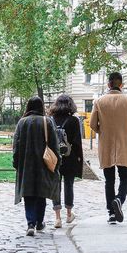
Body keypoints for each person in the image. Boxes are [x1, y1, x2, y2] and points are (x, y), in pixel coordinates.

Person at [89, 71, 127, 224]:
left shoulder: (99, 102)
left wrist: (103, 131)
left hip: (106, 145)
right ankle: (119, 199)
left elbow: (93, 124)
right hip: (124, 144)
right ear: (122, 84)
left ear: (108, 84)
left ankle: (111, 213)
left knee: (109, 180)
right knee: (125, 177)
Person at [12, 96, 63, 236]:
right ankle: (39, 222)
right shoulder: (47, 122)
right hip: (43, 164)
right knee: (41, 193)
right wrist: (57, 162)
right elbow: (54, 144)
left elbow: (15, 145)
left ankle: (30, 223)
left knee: (28, 194)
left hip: (26, 163)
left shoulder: (22, 123)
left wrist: (16, 163)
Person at [49, 94, 83, 228]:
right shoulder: (74, 121)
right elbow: (77, 142)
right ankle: (69, 214)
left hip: (54, 158)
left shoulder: (50, 120)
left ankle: (57, 218)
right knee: (69, 185)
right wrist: (79, 157)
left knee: (56, 186)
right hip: (70, 158)